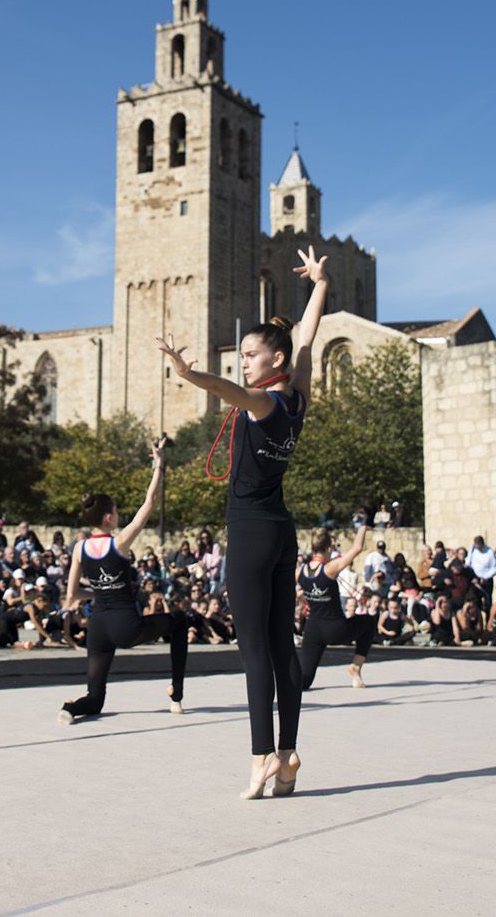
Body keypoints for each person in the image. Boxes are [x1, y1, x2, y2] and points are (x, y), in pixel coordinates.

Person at [158, 244, 326, 800]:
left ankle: (260, 759)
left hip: (253, 533)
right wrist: (319, 286)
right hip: (282, 530)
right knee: (281, 649)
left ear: (271, 363)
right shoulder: (296, 396)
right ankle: (289, 753)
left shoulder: (267, 404)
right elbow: (306, 338)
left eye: (252, 355)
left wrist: (188, 373)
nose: (245, 361)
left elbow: (231, 391)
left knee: (253, 649)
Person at [59, 439, 191, 722]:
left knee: (95, 699)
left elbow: (72, 594)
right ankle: (176, 694)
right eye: (117, 512)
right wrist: (158, 464)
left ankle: (70, 709)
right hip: (125, 626)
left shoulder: (79, 548)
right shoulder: (118, 543)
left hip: (98, 628)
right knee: (180, 621)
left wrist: (99, 592)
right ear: (109, 518)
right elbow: (150, 502)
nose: (119, 516)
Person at [294, 527, 372, 689]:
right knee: (370, 622)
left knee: (304, 681)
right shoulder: (329, 568)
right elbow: (357, 548)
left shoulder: (300, 571)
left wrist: (301, 595)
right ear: (329, 548)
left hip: (312, 631)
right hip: (336, 629)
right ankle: (355, 668)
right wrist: (363, 528)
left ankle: (281, 679)